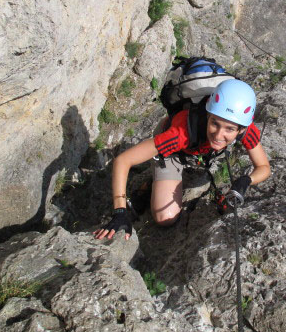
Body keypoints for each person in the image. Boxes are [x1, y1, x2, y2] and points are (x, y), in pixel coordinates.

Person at [93, 79, 271, 240]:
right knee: (165, 218)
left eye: (229, 129)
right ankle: (149, 185)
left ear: (241, 130)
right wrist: (119, 211)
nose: (218, 135)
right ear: (208, 115)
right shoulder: (180, 134)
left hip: (195, 151)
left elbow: (263, 166)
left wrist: (246, 180)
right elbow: (123, 161)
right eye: (215, 123)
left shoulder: (246, 128)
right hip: (173, 151)